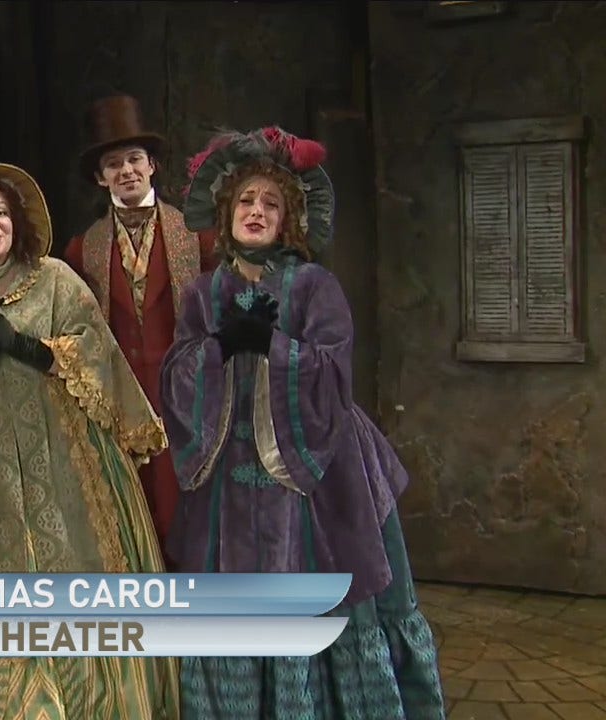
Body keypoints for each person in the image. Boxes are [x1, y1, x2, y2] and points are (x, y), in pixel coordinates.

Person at [159, 126, 446, 718]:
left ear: (288, 218)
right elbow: (177, 374)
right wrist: (221, 347)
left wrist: (273, 344)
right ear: (226, 212)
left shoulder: (316, 286)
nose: (256, 212)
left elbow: (335, 371)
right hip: (228, 472)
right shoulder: (204, 293)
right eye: (246, 201)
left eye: (271, 204)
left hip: (315, 463)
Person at [0, 162, 181, 719]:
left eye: (1, 213)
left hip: (64, 457)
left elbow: (95, 351)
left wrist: (30, 348)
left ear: (18, 223)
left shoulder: (54, 279)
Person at [63, 93, 217, 555]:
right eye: (114, 164)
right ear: (100, 177)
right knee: (133, 513)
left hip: (184, 397)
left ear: (152, 165)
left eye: (134, 159)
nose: (126, 171)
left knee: (184, 508)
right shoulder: (83, 249)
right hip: (122, 400)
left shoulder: (196, 237)